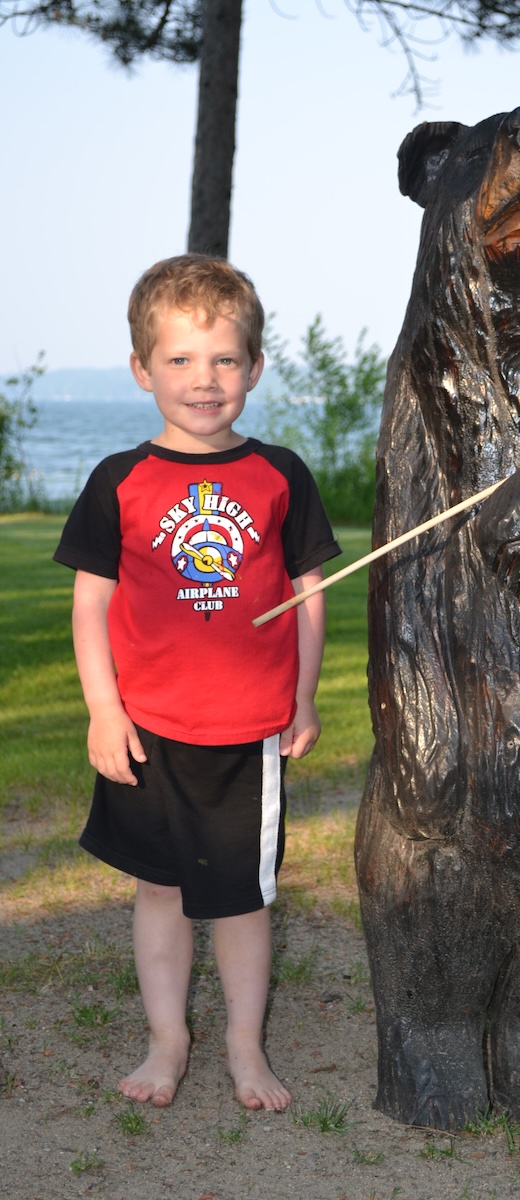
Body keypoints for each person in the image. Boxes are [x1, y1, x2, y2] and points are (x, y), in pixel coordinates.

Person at [54, 254, 341, 1111]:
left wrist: (302, 696)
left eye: (224, 359)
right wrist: (103, 710)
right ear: (142, 369)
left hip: (247, 730)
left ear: (254, 367)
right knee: (162, 888)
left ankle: (244, 1045)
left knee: (243, 899)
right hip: (148, 727)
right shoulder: (119, 480)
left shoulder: (280, 474)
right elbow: (91, 603)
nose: (203, 379)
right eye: (179, 359)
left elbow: (309, 592)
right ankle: (166, 1040)